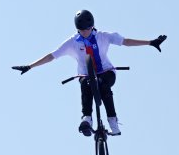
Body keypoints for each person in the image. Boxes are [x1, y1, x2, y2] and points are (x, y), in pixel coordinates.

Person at [12, 10, 166, 136]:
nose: (85, 32)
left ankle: (113, 120)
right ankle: (87, 118)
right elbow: (52, 56)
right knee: (86, 85)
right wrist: (30, 66)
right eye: (81, 30)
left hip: (106, 72)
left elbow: (126, 42)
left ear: (92, 26)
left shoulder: (104, 36)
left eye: (87, 29)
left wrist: (151, 42)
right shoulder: (72, 42)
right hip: (86, 75)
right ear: (77, 29)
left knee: (104, 87)